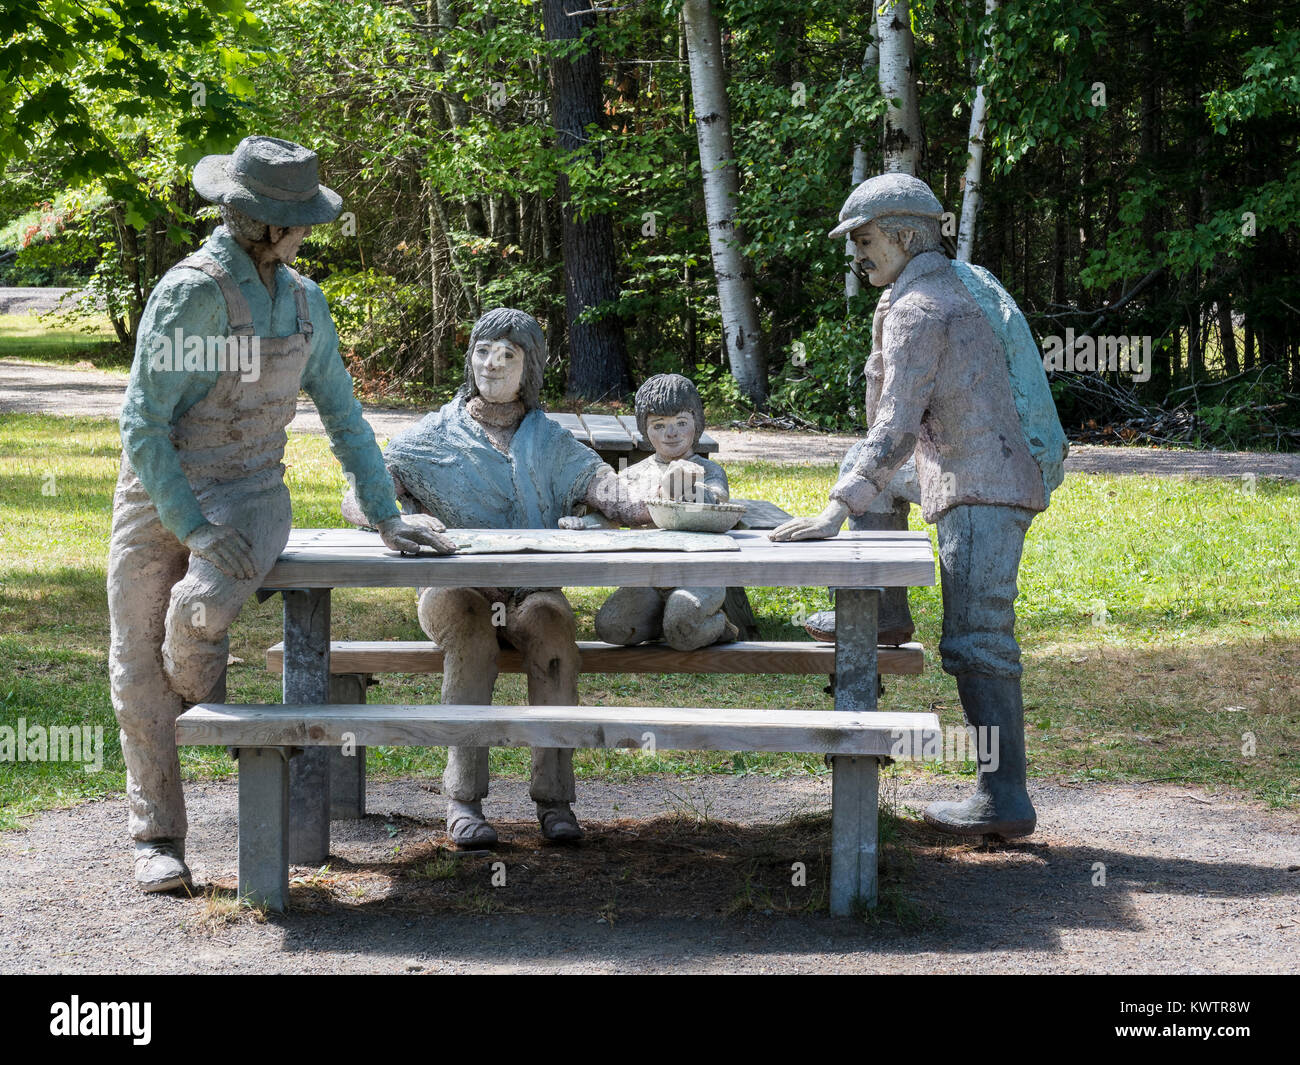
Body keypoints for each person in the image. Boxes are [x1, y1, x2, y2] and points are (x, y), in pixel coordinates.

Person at [110, 136, 450, 893]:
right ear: (264, 224)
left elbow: (344, 415)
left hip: (253, 491)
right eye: (299, 222)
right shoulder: (188, 294)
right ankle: (157, 837)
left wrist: (387, 513)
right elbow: (141, 422)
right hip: (158, 492)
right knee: (137, 670)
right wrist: (192, 526)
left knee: (196, 612)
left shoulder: (305, 303)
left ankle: (201, 690)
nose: (308, 235)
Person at [770, 172, 1064, 839]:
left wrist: (834, 510)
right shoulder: (945, 286)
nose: (857, 254)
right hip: (954, 464)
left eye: (865, 239)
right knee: (880, 480)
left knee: (977, 639)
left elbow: (895, 426)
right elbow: (889, 432)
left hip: (981, 484)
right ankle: (887, 610)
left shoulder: (921, 306)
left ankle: (1003, 795)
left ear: (905, 235)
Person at [343, 308, 653, 848]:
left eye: (509, 355)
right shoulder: (430, 437)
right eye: (484, 351)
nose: (493, 364)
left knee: (553, 630)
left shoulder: (551, 441)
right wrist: (390, 518)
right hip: (454, 589)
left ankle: (554, 801)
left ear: (528, 369)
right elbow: (359, 494)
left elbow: (610, 491)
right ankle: (463, 799)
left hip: (532, 588)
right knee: (470, 631)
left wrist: (669, 494)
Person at [592, 373, 739, 651]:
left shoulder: (708, 471)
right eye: (659, 425)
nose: (671, 433)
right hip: (648, 579)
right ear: (644, 430)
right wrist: (585, 523)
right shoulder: (634, 474)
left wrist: (687, 490)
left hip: (699, 576)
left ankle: (716, 624)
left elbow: (719, 505)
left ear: (697, 423)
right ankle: (671, 624)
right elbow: (611, 515)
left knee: (682, 625)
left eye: (681, 423)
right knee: (610, 625)